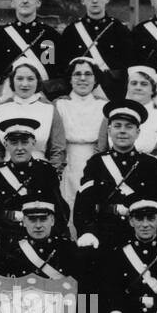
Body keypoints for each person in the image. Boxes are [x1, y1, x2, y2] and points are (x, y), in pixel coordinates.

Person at [73, 100, 157, 253]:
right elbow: (83, 204)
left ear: (138, 132)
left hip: (141, 239)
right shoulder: (96, 163)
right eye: (117, 126)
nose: (122, 131)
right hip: (103, 237)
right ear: (109, 130)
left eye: (129, 127)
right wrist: (87, 232)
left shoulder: (151, 165)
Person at [0, 117, 68, 261]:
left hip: (41, 237)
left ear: (33, 143)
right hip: (6, 237)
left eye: (24, 142)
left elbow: (60, 210)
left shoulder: (46, 171)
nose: (19, 148)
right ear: (6, 144)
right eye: (13, 142)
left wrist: (56, 236)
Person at [57, 0, 133, 99]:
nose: (94, 0)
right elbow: (64, 68)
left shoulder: (119, 29)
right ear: (82, 0)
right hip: (83, 95)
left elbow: (129, 64)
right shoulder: (71, 32)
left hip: (115, 94)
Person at [0, 0, 60, 99]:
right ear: (12, 2)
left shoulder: (50, 35)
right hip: (9, 99)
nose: (25, 1)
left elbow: (53, 73)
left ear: (38, 2)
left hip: (43, 98)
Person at [0, 59, 65, 174]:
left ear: (38, 82)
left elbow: (57, 149)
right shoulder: (1, 108)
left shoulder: (49, 108)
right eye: (20, 78)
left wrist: (52, 174)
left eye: (30, 79)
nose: (25, 84)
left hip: (41, 172)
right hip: (7, 172)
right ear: (12, 81)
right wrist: (0, 172)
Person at [56, 57, 105, 209]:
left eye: (88, 74)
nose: (82, 78)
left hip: (94, 161)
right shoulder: (60, 104)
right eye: (77, 74)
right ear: (70, 79)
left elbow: (103, 142)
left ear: (95, 79)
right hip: (67, 162)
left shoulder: (104, 105)